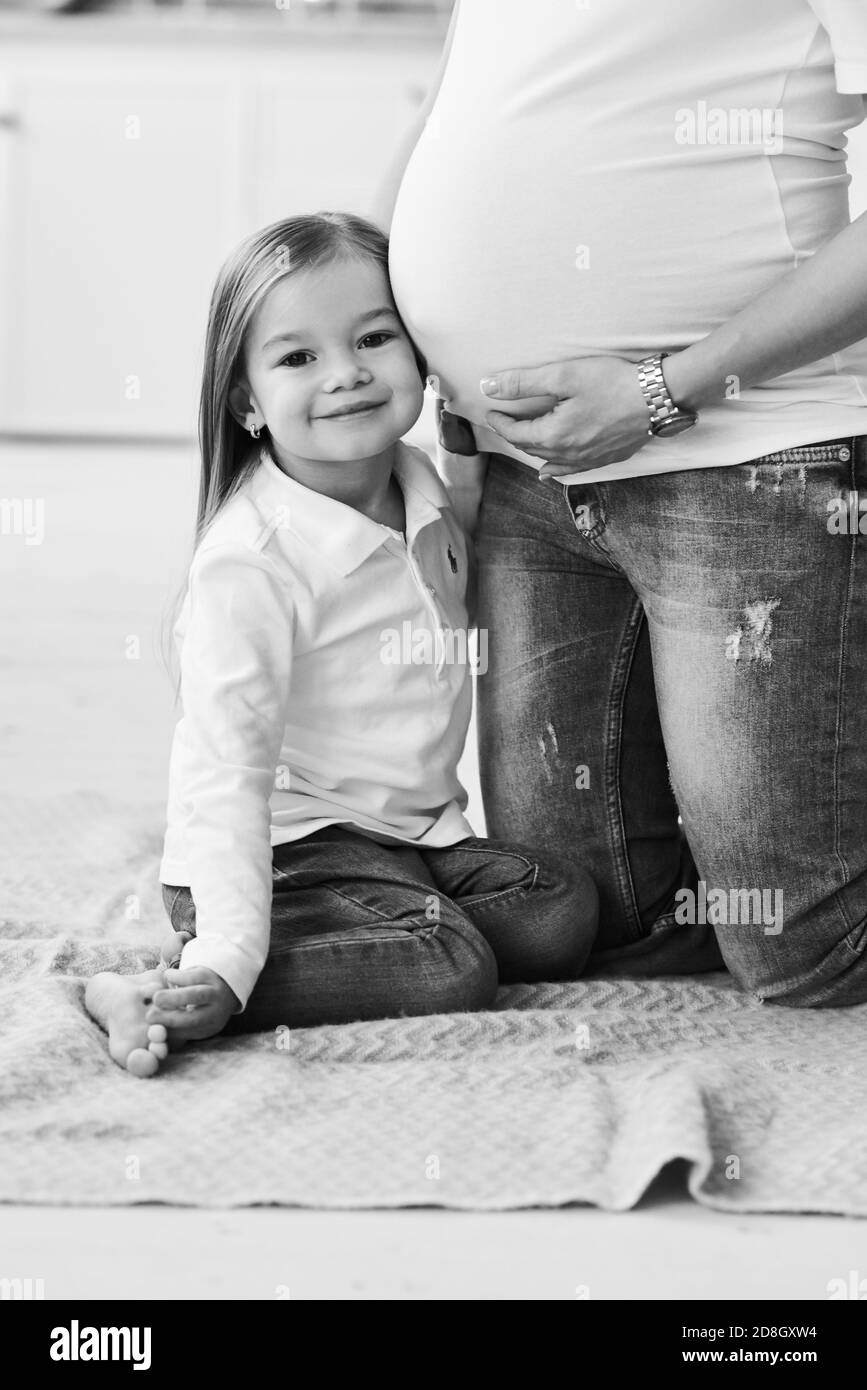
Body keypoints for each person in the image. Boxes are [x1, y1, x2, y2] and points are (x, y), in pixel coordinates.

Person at [384, 0, 867, 1006]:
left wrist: (661, 388)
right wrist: (416, 358)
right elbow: (453, 113)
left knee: (802, 953)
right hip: (526, 473)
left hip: (753, 457)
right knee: (584, 919)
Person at [84, 212, 598, 1077]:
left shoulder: (417, 482)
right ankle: (172, 989)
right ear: (246, 401)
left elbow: (457, 560)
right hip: (283, 845)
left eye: (372, 338)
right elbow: (225, 777)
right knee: (450, 964)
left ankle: (398, 918)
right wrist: (228, 952)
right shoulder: (250, 566)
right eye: (297, 357)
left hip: (406, 837)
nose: (348, 374)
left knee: (559, 908)